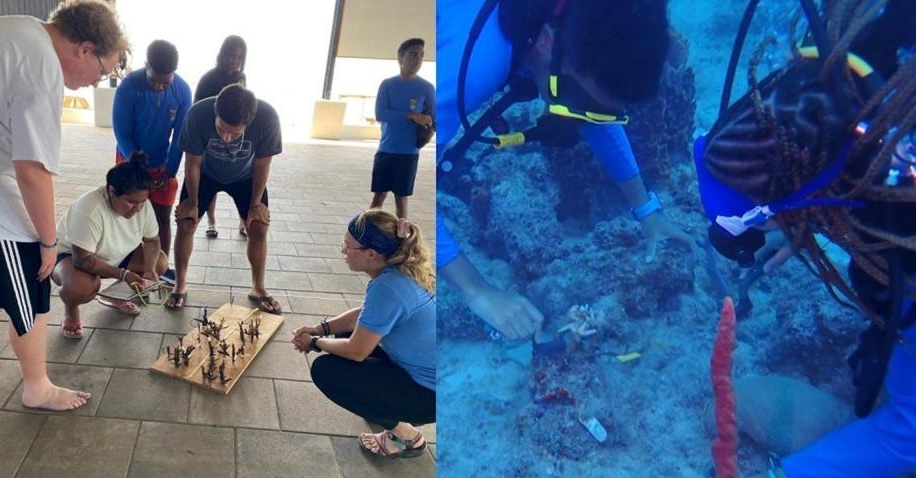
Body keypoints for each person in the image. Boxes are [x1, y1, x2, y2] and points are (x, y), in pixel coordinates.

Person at [694, 1, 916, 476]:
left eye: (760, 221)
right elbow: (835, 155)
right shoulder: (873, 69)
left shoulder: (903, 232)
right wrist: (804, 220)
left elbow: (908, 437)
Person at [436, 0, 694, 341]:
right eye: (577, 101)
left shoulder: (566, 28)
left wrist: (647, 209)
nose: (578, 118)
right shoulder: (465, 71)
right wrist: (477, 290)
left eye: (600, 110)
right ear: (545, 40)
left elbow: (592, 112)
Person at [0, 0, 128, 411]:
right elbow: (32, 169)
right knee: (33, 282)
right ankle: (38, 387)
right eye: (104, 71)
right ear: (85, 49)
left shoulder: (10, 27)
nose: (97, 82)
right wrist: (49, 242)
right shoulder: (40, 65)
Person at [291, 209, 436, 458]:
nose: (342, 250)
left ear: (371, 255)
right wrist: (322, 329)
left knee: (326, 371)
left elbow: (357, 352)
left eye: (347, 246)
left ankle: (406, 436)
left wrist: (314, 342)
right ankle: (384, 406)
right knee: (342, 337)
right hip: (433, 378)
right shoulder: (401, 269)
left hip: (430, 395)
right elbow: (367, 315)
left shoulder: (389, 287)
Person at [169, 83, 282, 313]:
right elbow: (192, 164)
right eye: (221, 130)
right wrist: (192, 201)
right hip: (206, 174)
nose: (227, 139)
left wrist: (256, 204)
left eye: (236, 133)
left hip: (246, 176)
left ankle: (258, 288)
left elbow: (263, 164)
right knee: (186, 223)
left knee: (258, 226)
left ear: (248, 123)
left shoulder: (267, 118)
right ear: (215, 112)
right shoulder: (198, 114)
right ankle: (180, 284)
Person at [52, 153, 169, 338]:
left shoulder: (142, 205)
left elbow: (152, 241)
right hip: (73, 258)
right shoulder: (89, 208)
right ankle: (71, 312)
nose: (137, 209)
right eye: (130, 202)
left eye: (142, 202)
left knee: (159, 262)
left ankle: (115, 295)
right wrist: (124, 274)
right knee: (80, 287)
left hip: (117, 253)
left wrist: (150, 271)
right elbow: (83, 260)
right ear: (112, 191)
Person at [113, 39, 192, 279]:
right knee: (128, 213)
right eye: (154, 80)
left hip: (162, 165)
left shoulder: (182, 91)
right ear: (146, 65)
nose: (159, 86)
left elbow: (181, 136)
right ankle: (129, 265)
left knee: (162, 217)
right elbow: (122, 133)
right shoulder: (128, 87)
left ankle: (162, 267)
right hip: (130, 161)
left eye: (165, 82)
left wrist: (169, 170)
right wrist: (137, 165)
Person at [370, 38, 435, 221]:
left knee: (401, 199)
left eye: (422, 55)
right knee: (379, 196)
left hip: (409, 153)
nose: (418, 60)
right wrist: (411, 115)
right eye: (413, 54)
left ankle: (403, 240)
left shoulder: (427, 88)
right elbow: (381, 113)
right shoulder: (388, 85)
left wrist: (427, 122)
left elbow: (434, 119)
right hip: (386, 150)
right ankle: (366, 231)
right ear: (401, 57)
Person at [194, 35, 248, 239]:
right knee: (211, 183)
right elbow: (196, 111)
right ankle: (211, 221)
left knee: (240, 180)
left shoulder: (242, 77)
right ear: (223, 55)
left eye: (239, 57)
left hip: (234, 139)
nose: (235, 61)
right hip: (210, 139)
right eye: (232, 56)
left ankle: (243, 222)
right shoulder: (209, 79)